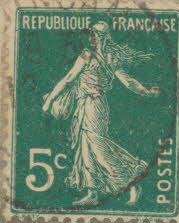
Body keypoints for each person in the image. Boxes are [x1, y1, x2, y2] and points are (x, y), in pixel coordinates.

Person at [39, 20, 160, 206]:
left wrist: (145, 91)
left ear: (102, 36)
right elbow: (69, 78)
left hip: (95, 105)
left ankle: (133, 182)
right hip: (83, 105)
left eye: (94, 34)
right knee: (85, 148)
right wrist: (50, 99)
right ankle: (92, 193)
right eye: (91, 34)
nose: (91, 38)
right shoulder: (91, 54)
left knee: (98, 147)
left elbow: (126, 81)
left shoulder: (105, 57)